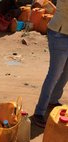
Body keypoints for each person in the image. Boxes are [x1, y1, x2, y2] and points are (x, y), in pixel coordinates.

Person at [33, 0, 68, 128]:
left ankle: (53, 100)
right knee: (55, 73)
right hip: (59, 35)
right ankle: (39, 112)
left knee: (65, 73)